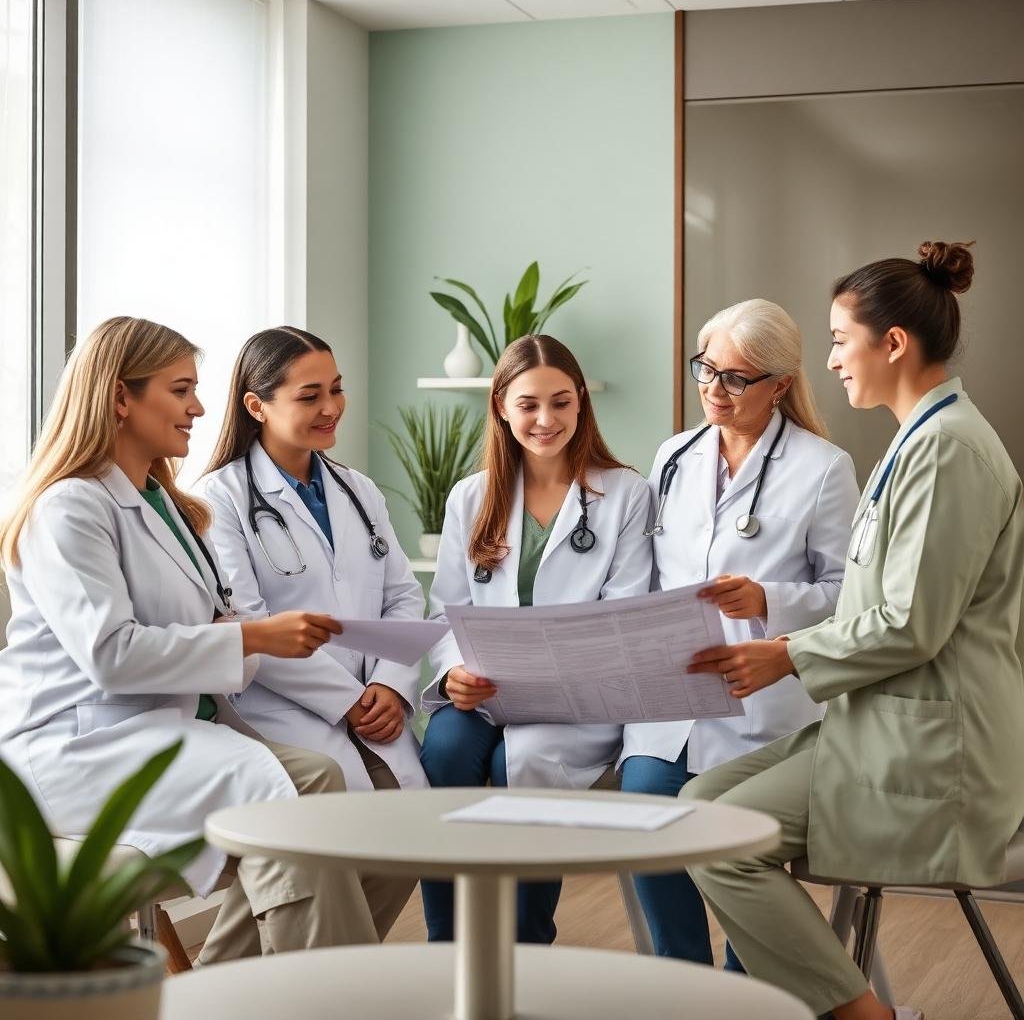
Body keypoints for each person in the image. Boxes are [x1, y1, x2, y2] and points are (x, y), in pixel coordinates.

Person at [684, 241, 1024, 1020]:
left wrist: (785, 656)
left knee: (718, 840)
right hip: (879, 724)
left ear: (893, 343)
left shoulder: (948, 452)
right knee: (697, 806)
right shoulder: (917, 443)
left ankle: (860, 1017)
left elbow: (909, 625)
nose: (830, 361)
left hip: (934, 756)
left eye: (839, 340)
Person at [0, 316, 385, 963]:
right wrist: (250, 637)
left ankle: (223, 993)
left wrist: (247, 639)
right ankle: (324, 998)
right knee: (298, 798)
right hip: (80, 745)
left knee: (349, 818)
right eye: (181, 390)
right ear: (121, 397)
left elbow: (206, 634)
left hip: (166, 729)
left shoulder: (170, 507)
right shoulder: (69, 507)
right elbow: (111, 655)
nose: (200, 408)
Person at [619, 298, 859, 967]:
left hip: (764, 708)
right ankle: (682, 978)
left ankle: (743, 989)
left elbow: (849, 600)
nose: (712, 389)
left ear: (779, 385)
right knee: (643, 805)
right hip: (675, 695)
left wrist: (767, 599)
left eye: (735, 378)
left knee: (733, 845)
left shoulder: (822, 468)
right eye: (706, 369)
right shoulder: (673, 456)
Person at [420, 334, 653, 944]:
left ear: (581, 405)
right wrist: (452, 675)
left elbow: (625, 615)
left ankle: (525, 945)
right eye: (528, 405)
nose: (546, 420)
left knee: (518, 761)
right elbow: (448, 611)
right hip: (487, 690)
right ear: (500, 406)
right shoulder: (471, 498)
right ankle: (448, 944)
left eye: (561, 403)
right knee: (443, 752)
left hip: (575, 699)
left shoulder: (623, 493)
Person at [203, 326, 428, 936]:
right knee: (323, 856)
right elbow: (247, 624)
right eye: (309, 396)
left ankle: (297, 980)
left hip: (371, 705)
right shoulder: (218, 500)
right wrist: (346, 698)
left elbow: (404, 595)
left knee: (403, 839)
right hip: (278, 710)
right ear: (257, 405)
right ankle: (326, 984)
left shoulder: (356, 490)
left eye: (336, 389)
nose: (331, 408)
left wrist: (392, 686)